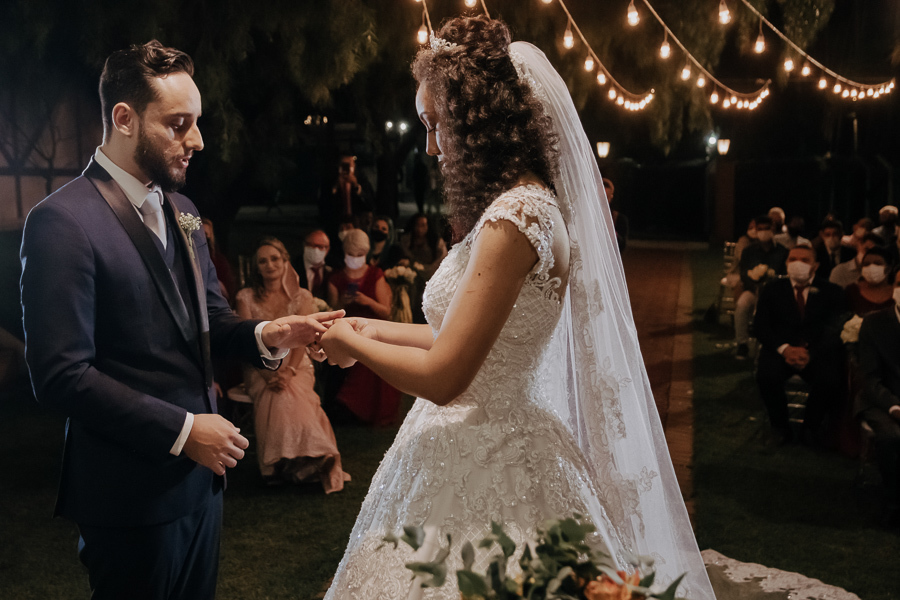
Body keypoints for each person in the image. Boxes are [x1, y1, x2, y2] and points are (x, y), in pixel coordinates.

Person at [316, 17, 714, 600]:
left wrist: (353, 348)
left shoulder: (515, 221)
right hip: (475, 436)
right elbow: (460, 340)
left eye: (436, 124)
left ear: (477, 119)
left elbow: (447, 377)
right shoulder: (515, 208)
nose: (429, 145)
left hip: (488, 450)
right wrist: (364, 325)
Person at [18, 41, 342, 600]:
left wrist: (270, 333)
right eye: (179, 124)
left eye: (196, 123)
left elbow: (210, 316)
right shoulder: (61, 223)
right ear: (124, 119)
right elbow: (60, 375)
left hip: (202, 486)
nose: (197, 140)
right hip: (127, 495)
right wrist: (185, 431)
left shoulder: (184, 211)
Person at [235, 238, 349, 491]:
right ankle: (297, 460)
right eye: (262, 261)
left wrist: (289, 370)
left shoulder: (302, 296)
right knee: (277, 393)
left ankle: (291, 462)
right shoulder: (246, 297)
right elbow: (244, 340)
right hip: (258, 365)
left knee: (290, 390)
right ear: (256, 267)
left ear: (285, 261)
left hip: (296, 362)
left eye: (275, 259)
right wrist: (267, 374)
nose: (269, 265)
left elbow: (305, 340)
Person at [753, 245, 846, 445]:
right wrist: (784, 349)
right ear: (786, 263)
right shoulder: (772, 289)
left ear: (816, 265)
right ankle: (779, 426)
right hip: (781, 350)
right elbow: (761, 326)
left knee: (830, 380)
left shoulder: (832, 292)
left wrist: (811, 352)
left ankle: (811, 426)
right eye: (793, 259)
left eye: (804, 260)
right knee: (767, 376)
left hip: (817, 352)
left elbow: (836, 328)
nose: (798, 264)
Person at [327, 229, 401, 426]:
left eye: (360, 255)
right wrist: (342, 302)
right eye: (352, 255)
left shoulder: (375, 275)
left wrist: (367, 301)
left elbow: (385, 311)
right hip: (346, 330)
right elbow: (330, 311)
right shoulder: (336, 279)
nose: (356, 259)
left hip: (372, 327)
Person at [857, 269, 900, 528]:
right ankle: (893, 503)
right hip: (880, 399)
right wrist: (894, 406)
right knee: (892, 436)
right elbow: (870, 378)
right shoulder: (875, 323)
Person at [734, 215, 788, 359]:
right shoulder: (748, 251)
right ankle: (742, 344)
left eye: (767, 229)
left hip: (775, 294)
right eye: (760, 229)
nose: (764, 232)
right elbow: (744, 274)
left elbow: (785, 276)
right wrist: (755, 283)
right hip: (753, 290)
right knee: (742, 305)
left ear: (773, 229)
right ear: (756, 230)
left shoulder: (782, 251)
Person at [844, 247, 895, 316]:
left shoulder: (896, 292)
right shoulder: (852, 291)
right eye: (866, 264)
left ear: (888, 268)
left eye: (877, 263)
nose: (871, 267)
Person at [201, 217, 236, 302]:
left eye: (206, 234)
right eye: (200, 234)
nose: (203, 239)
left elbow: (229, 291)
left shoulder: (220, 261)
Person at [298, 229, 332, 300]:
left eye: (320, 247)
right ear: (304, 245)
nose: (315, 250)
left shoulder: (332, 269)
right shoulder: (293, 267)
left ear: (327, 249)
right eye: (311, 245)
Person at [603, 177, 628, 253]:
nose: (602, 201)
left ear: (611, 197)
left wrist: (612, 232)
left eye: (606, 197)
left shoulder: (619, 219)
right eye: (600, 197)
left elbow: (622, 246)